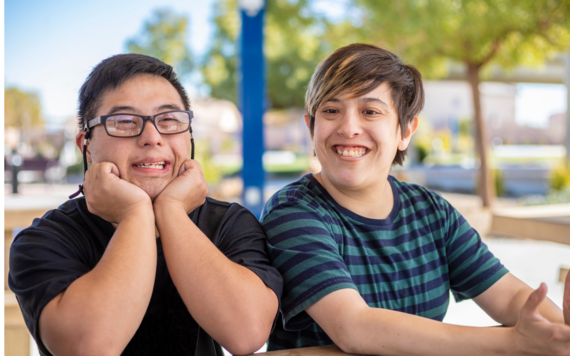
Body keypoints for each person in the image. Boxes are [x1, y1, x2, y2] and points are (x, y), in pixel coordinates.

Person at [260, 43, 570, 355]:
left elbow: (510, 298)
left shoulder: (432, 212)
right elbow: (354, 327)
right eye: (330, 111)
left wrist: (560, 332)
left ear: (405, 131)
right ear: (311, 126)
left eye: (370, 111)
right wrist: (513, 344)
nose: (349, 127)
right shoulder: (292, 212)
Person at [9, 54, 282, 356]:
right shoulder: (46, 239)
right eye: (125, 122)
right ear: (86, 147)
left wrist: (171, 211)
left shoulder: (228, 223)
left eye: (169, 120)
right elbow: (90, 347)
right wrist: (136, 213)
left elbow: (247, 334)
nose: (152, 137)